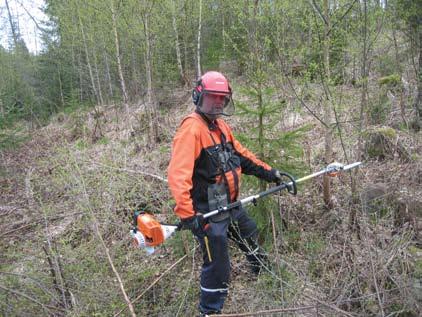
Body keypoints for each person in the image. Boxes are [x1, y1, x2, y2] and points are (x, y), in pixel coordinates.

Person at [167, 71, 282, 316]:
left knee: (249, 233)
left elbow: (241, 155)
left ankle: (262, 271)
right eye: (212, 97)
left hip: (229, 204)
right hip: (207, 212)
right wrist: (189, 216)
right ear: (199, 96)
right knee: (218, 265)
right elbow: (178, 175)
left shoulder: (220, 126)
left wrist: (270, 173)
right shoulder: (192, 129)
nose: (218, 103)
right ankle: (209, 310)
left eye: (222, 98)